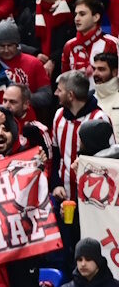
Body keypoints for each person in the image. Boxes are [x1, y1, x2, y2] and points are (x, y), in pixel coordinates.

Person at [54, 70, 114, 198]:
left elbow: (111, 159)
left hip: (93, 196)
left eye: (59, 90)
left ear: (71, 95)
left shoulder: (99, 118)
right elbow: (55, 154)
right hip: (64, 194)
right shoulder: (58, 115)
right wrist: (55, 184)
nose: (56, 93)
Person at [64, 0, 119, 76]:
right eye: (75, 14)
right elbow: (65, 79)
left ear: (96, 17)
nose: (76, 19)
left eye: (82, 14)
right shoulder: (69, 45)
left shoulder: (112, 43)